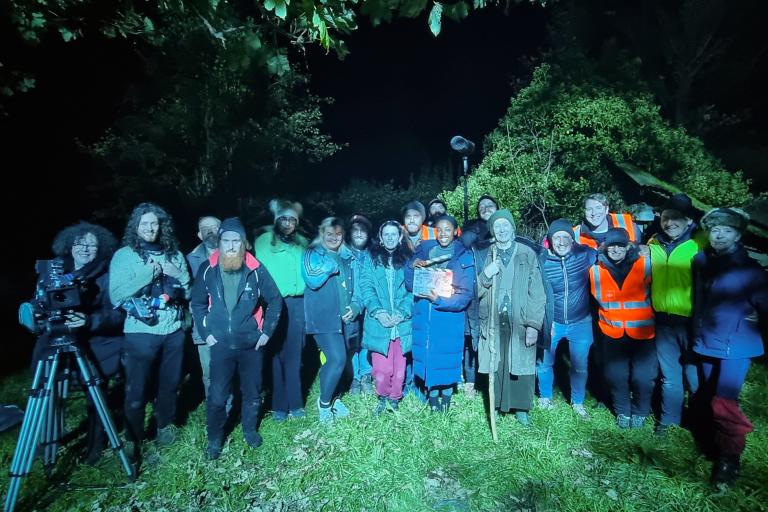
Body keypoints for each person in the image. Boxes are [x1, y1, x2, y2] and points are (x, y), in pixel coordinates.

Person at [25, 222, 124, 464]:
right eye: (80, 243)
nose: (85, 248)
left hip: (95, 343)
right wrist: (35, 315)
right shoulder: (53, 270)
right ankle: (47, 440)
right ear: (69, 245)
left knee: (95, 393)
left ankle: (96, 444)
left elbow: (118, 314)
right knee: (48, 391)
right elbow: (40, 301)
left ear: (100, 248)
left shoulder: (107, 274)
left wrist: (89, 320)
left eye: (92, 244)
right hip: (55, 339)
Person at [191, 218, 283, 459]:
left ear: (244, 244)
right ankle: (214, 439)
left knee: (252, 392)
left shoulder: (256, 268)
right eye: (226, 241)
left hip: (250, 343)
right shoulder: (207, 269)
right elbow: (198, 303)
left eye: (236, 241)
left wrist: (266, 333)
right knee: (218, 393)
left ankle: (250, 431)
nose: (231, 246)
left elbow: (275, 300)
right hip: (220, 344)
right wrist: (206, 334)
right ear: (220, 243)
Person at [109, 203, 191, 464]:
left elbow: (189, 290)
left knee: (170, 382)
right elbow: (116, 295)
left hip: (173, 329)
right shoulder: (124, 256)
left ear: (161, 226)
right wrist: (149, 272)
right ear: (135, 226)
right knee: (136, 388)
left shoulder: (174, 254)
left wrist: (176, 272)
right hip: (140, 331)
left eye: (154, 223)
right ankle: (132, 437)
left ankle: (164, 426)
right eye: (144, 223)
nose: (150, 228)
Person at [692, 207, 767, 487]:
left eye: (727, 230)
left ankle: (730, 460)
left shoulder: (751, 272)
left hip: (735, 345)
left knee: (724, 403)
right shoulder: (703, 263)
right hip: (706, 341)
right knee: (705, 396)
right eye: (715, 229)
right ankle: (714, 446)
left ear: (738, 234)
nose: (719, 234)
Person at [475, 210, 545, 425]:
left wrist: (533, 324)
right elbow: (476, 291)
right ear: (493, 232)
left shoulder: (526, 253)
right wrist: (487, 274)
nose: (502, 230)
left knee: (521, 362)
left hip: (520, 319)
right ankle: (496, 404)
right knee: (496, 362)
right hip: (494, 319)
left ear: (513, 229)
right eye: (497, 227)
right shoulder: (487, 254)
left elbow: (537, 292)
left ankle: (522, 407)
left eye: (505, 225)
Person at [405, 215, 475, 412]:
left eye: (448, 229)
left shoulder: (463, 256)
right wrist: (412, 267)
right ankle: (432, 396)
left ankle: (446, 396)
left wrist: (440, 300)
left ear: (455, 231)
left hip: (448, 315)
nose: (443, 233)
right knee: (429, 355)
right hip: (425, 315)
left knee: (447, 355)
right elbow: (411, 284)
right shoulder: (425, 250)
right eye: (439, 229)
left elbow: (465, 294)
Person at [589, 228, 657, 429]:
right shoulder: (595, 270)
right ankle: (622, 412)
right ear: (605, 248)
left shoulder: (645, 265)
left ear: (628, 247)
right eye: (612, 246)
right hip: (612, 332)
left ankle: (641, 411)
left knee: (643, 376)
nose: (616, 250)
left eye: (620, 245)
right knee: (616, 375)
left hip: (643, 332)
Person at [647, 194, 702, 434]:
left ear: (689, 220)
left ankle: (702, 423)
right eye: (667, 218)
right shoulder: (653, 243)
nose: (670, 223)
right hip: (662, 321)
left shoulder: (701, 244)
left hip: (692, 322)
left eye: (677, 218)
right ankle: (668, 423)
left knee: (694, 377)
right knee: (669, 377)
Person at [302, 217, 362, 422]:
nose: (334, 238)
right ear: (321, 233)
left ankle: (334, 398)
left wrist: (355, 307)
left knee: (341, 358)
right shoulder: (312, 253)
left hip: (345, 319)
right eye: (329, 234)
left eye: (338, 234)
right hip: (323, 318)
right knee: (337, 358)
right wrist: (331, 264)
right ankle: (324, 404)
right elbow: (311, 278)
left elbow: (358, 286)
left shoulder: (348, 256)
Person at [536, 219, 597, 418]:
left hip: (581, 321)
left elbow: (611, 252)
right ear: (550, 240)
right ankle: (545, 397)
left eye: (565, 237)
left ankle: (578, 402)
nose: (561, 242)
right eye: (556, 237)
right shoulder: (542, 261)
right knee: (544, 363)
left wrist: (637, 250)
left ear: (572, 239)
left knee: (580, 365)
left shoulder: (585, 254)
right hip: (553, 322)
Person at [254, 199, 309, 421]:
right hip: (273, 304)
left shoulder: (303, 243)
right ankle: (279, 405)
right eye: (283, 218)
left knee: (295, 355)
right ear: (276, 220)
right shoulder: (263, 242)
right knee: (275, 355)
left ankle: (295, 403)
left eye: (292, 219)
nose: (287, 223)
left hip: (297, 304)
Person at [359, 221, 414, 413]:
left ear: (400, 237)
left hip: (401, 323)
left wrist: (402, 312)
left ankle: (395, 398)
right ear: (381, 238)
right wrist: (379, 312)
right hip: (378, 322)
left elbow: (412, 289)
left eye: (394, 234)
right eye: (386, 235)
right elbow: (366, 286)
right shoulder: (371, 258)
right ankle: (382, 396)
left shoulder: (409, 258)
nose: (390, 238)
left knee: (399, 370)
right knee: (382, 370)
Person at [186, 215, 221, 398]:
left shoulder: (237, 253)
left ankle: (237, 409)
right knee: (209, 372)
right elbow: (185, 294)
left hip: (233, 324)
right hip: (205, 325)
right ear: (199, 234)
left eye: (215, 226)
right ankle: (215, 414)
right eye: (205, 228)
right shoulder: (190, 260)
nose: (210, 231)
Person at [346, 214, 373, 395]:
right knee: (351, 342)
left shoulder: (373, 253)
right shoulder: (342, 252)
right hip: (350, 305)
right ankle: (354, 376)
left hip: (369, 304)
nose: (359, 234)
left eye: (362, 230)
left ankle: (366, 374)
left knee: (367, 339)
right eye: (355, 230)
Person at [573, 193, 642, 249]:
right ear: (584, 212)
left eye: (598, 208)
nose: (593, 213)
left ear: (606, 209)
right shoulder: (574, 234)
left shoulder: (627, 223)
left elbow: (641, 248)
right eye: (589, 209)